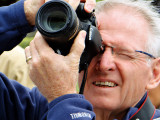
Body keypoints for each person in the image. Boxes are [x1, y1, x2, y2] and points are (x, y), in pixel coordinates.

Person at [25, 0, 160, 119]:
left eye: (125, 54)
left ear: (154, 73)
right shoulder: (38, 108)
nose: (104, 65)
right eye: (96, 48)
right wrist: (25, 13)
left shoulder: (58, 99)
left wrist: (63, 101)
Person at [0, 0, 96, 119]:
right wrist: (22, 14)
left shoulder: (54, 99)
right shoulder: (33, 108)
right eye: (95, 51)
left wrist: (63, 96)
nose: (106, 64)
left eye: (123, 54)